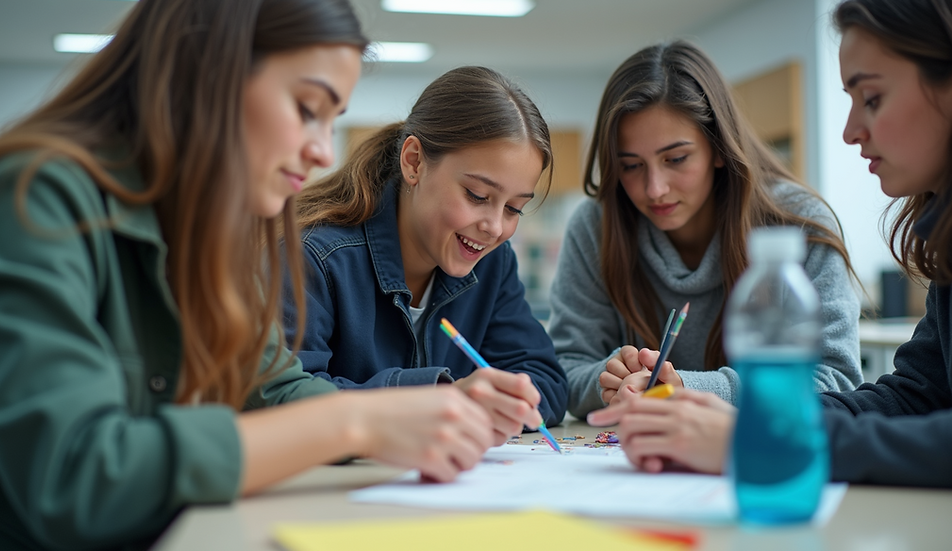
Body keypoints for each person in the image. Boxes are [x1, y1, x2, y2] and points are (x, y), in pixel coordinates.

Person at [0, 1, 495, 550]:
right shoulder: (32, 198)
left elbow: (272, 386)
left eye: (332, 121)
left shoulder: (208, 229)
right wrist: (352, 423)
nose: (321, 151)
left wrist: (390, 416)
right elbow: (79, 477)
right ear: (208, 74)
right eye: (306, 107)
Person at [591, 0, 952, 488]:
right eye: (632, 165)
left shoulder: (797, 224)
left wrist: (753, 437)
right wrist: (744, 421)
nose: (849, 132)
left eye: (871, 98)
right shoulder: (944, 233)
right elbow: (913, 397)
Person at [548, 40, 863, 419]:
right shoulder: (595, 227)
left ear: (718, 146)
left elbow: (837, 380)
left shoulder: (795, 224)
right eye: (631, 165)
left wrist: (685, 389)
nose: (655, 189)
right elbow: (566, 369)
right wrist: (610, 380)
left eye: (676, 159)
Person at [282, 66, 569, 443]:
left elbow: (544, 379)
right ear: (414, 162)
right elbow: (284, 401)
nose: (495, 227)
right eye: (478, 196)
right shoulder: (315, 256)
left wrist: (496, 404)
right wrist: (437, 397)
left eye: (514, 208)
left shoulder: (492, 262)